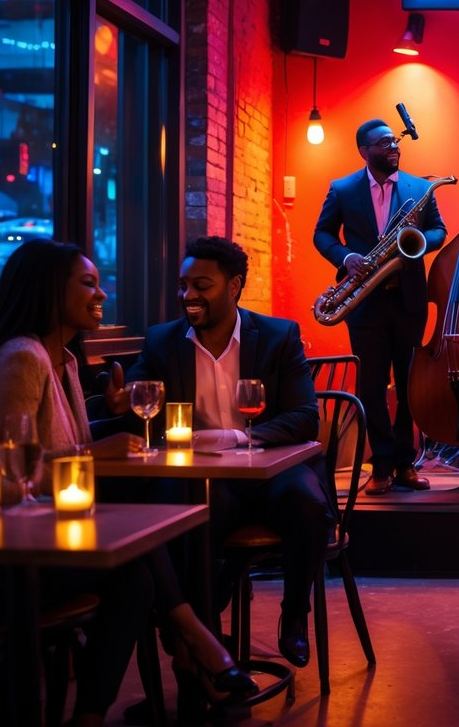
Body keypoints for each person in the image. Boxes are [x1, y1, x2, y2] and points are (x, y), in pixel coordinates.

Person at [0, 239, 255, 725]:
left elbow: (63, 448)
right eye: (88, 284)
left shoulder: (64, 361)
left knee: (137, 573)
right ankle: (192, 635)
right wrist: (92, 452)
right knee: (138, 552)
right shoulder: (22, 358)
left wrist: (102, 431)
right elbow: (9, 475)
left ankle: (95, 712)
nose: (101, 294)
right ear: (48, 290)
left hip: (45, 541)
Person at [120, 236, 331, 668]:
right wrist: (120, 402)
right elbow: (138, 402)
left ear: (234, 286)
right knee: (189, 519)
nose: (188, 296)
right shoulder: (162, 342)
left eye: (201, 285)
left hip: (273, 471)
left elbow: (305, 417)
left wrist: (238, 438)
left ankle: (294, 615)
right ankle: (203, 640)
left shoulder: (277, 335)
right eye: (183, 286)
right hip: (208, 478)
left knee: (307, 504)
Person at [314, 118, 447, 495]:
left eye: (395, 141)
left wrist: (417, 239)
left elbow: (439, 229)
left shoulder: (420, 188)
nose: (395, 147)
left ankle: (406, 463)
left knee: (409, 384)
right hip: (364, 300)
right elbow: (321, 233)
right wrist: (346, 257)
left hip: (408, 299)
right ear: (364, 151)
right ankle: (382, 465)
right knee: (372, 385)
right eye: (385, 142)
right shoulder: (342, 189)